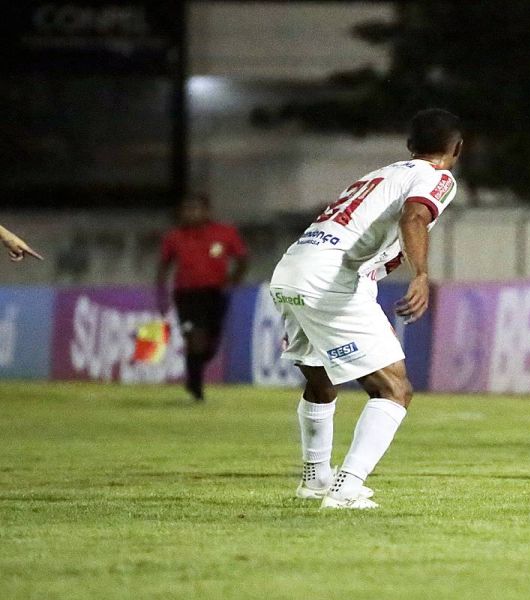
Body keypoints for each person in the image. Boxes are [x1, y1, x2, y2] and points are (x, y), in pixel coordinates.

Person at [269, 108, 462, 510]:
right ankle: (345, 489)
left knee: (321, 379)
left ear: (409, 146)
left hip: (292, 270)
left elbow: (363, 232)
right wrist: (421, 274)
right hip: (330, 279)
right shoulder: (437, 177)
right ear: (456, 148)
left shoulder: (380, 175)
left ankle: (316, 478)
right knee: (394, 389)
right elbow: (414, 217)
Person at [156, 195, 248, 402]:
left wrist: (234, 280)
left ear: (206, 211)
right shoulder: (174, 237)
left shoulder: (225, 232)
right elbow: (164, 266)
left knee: (210, 345)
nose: (190, 213)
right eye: (186, 209)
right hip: (187, 295)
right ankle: (195, 389)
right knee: (194, 340)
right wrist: (161, 295)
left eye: (195, 209)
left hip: (215, 294)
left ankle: (194, 373)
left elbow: (242, 257)